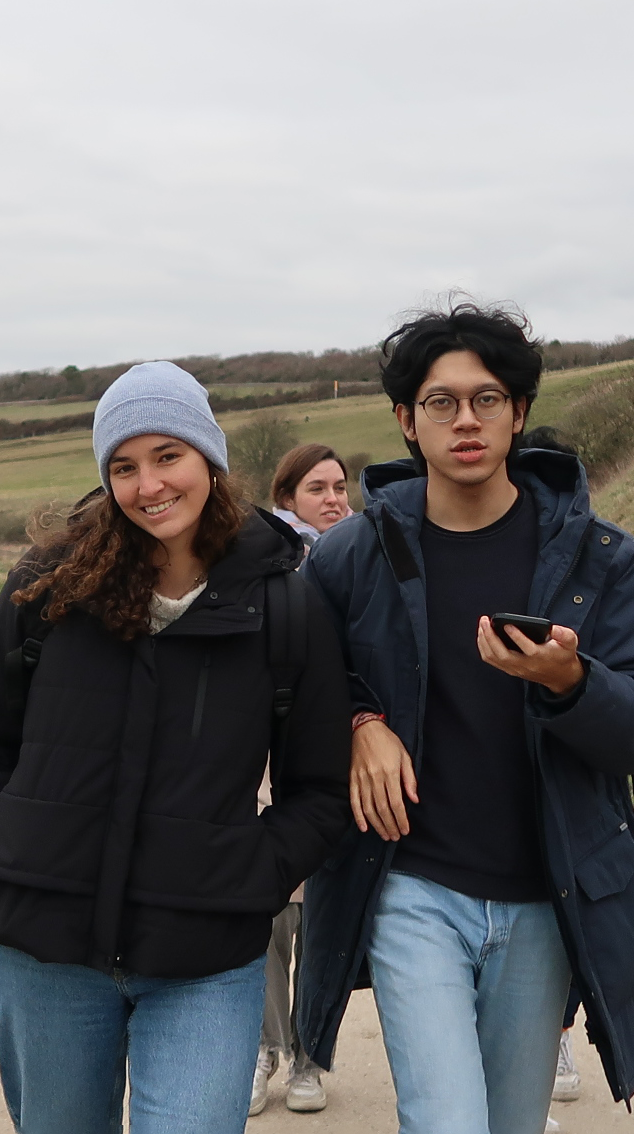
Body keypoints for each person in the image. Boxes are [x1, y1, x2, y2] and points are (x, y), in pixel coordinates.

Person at [298, 302, 634, 1134]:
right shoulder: (349, 556)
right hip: (411, 887)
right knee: (446, 1123)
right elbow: (294, 685)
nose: (465, 420)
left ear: (518, 412)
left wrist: (572, 681)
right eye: (440, 402)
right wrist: (359, 722)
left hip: (546, 896)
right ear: (407, 421)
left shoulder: (602, 558)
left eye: (487, 399)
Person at [0, 361, 352, 1134]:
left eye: (168, 456)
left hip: (205, 958)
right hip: (44, 951)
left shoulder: (283, 606)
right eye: (124, 467)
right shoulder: (49, 584)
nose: (148, 485)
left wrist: (251, 873)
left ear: (210, 459)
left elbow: (319, 789)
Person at [252, 442, 354, 1114]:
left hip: (339, 749)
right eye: (317, 488)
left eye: (341, 486)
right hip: (265, 752)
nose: (334, 499)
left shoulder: (360, 561)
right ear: (286, 496)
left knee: (322, 917)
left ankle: (310, 1056)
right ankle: (262, 1048)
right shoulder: (261, 564)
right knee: (262, 914)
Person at [270, 442, 353, 548]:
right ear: (288, 500)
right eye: (317, 489)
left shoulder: (370, 542)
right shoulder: (274, 555)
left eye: (340, 488)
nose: (333, 499)